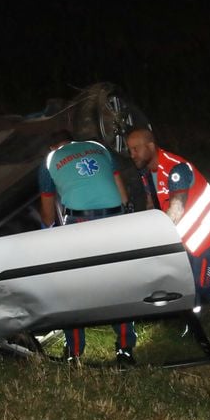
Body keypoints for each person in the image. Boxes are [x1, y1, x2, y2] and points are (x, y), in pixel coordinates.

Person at [125, 127, 210, 338]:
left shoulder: (175, 168)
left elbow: (176, 208)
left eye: (135, 149)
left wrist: (155, 239)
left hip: (208, 231)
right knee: (188, 286)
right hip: (185, 236)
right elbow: (151, 202)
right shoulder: (147, 173)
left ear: (151, 146)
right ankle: (194, 328)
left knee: (206, 285)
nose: (131, 154)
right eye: (129, 150)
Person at [38, 130, 137, 366]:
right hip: (115, 219)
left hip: (81, 223)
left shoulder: (49, 161)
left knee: (72, 288)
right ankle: (125, 350)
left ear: (53, 146)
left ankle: (74, 352)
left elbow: (48, 212)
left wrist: (48, 230)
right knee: (119, 285)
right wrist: (128, 217)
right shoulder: (98, 147)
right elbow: (122, 192)